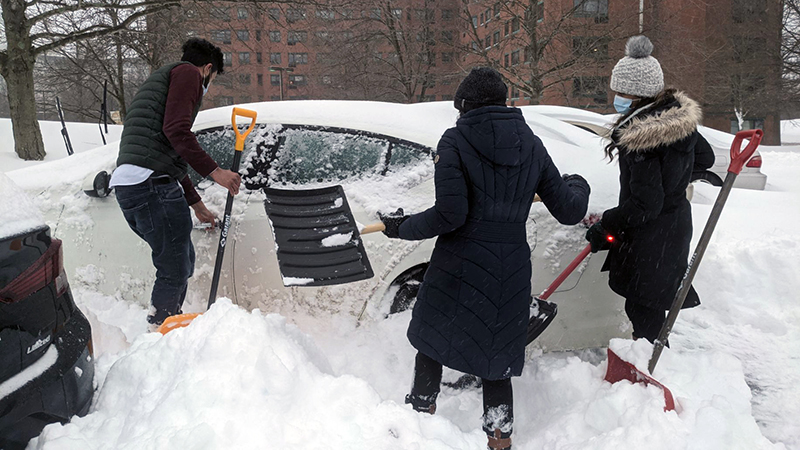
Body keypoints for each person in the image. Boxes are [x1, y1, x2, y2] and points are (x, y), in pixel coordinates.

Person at [378, 67, 590, 450]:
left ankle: (417, 424)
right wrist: (578, 183)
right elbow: (571, 209)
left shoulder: (455, 141)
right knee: (498, 357)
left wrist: (399, 227)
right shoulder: (531, 144)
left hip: (459, 259)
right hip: (508, 266)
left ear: (464, 106)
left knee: (432, 342)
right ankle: (499, 439)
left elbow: (450, 215)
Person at [584, 35, 715, 344]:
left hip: (649, 236)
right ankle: (651, 361)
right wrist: (676, 180)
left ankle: (650, 373)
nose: (616, 96)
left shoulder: (640, 136)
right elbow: (705, 157)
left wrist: (608, 223)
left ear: (636, 94)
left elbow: (645, 204)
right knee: (650, 308)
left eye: (621, 91)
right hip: (674, 227)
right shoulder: (678, 119)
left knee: (643, 310)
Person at [110, 38, 242, 329]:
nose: (208, 85)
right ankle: (161, 331)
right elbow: (177, 131)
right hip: (150, 184)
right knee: (173, 265)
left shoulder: (164, 79)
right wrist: (216, 172)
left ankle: (169, 327)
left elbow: (170, 152)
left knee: (181, 260)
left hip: (136, 184)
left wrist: (197, 205)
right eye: (213, 78)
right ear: (208, 68)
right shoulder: (188, 74)